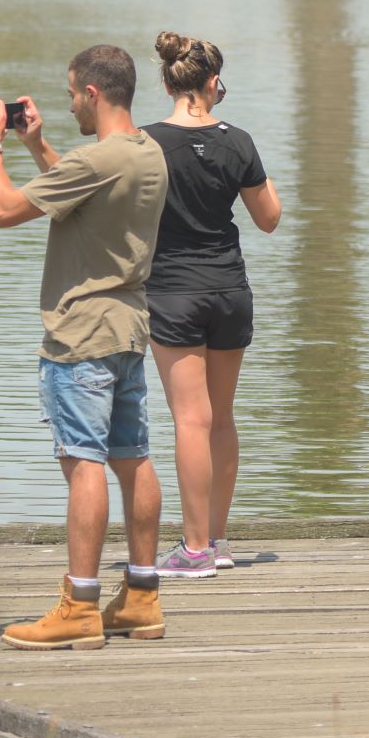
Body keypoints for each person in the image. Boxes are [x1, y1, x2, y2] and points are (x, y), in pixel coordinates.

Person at [0, 44, 171, 650]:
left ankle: (80, 604)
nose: (67, 104)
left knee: (82, 461)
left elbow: (6, 210)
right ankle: (141, 596)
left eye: (70, 94)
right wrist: (38, 146)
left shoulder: (101, 157)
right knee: (132, 456)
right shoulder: (145, 153)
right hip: (129, 328)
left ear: (92, 93)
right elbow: (81, 190)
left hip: (81, 335)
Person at [142, 30, 281, 577]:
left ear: (168, 82)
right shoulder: (238, 142)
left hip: (172, 292)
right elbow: (269, 219)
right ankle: (216, 542)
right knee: (220, 418)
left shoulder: (145, 142)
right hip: (229, 291)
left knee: (189, 420)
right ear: (213, 82)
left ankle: (193, 550)